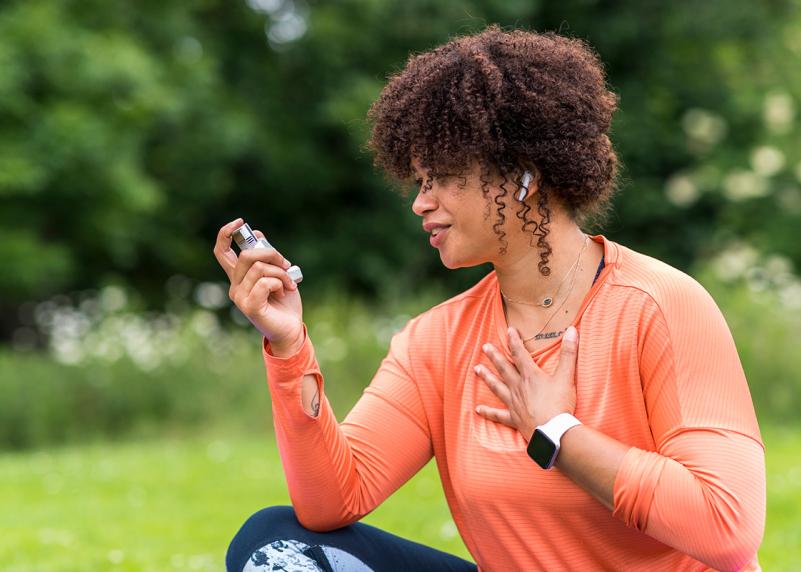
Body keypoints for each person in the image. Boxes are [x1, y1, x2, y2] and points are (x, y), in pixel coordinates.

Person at [216, 25, 766, 572]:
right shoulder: (436, 340)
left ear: (524, 176)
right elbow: (332, 501)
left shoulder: (663, 306)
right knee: (275, 545)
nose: (420, 203)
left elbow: (727, 529)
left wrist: (557, 434)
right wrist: (288, 346)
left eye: (442, 178)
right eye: (418, 180)